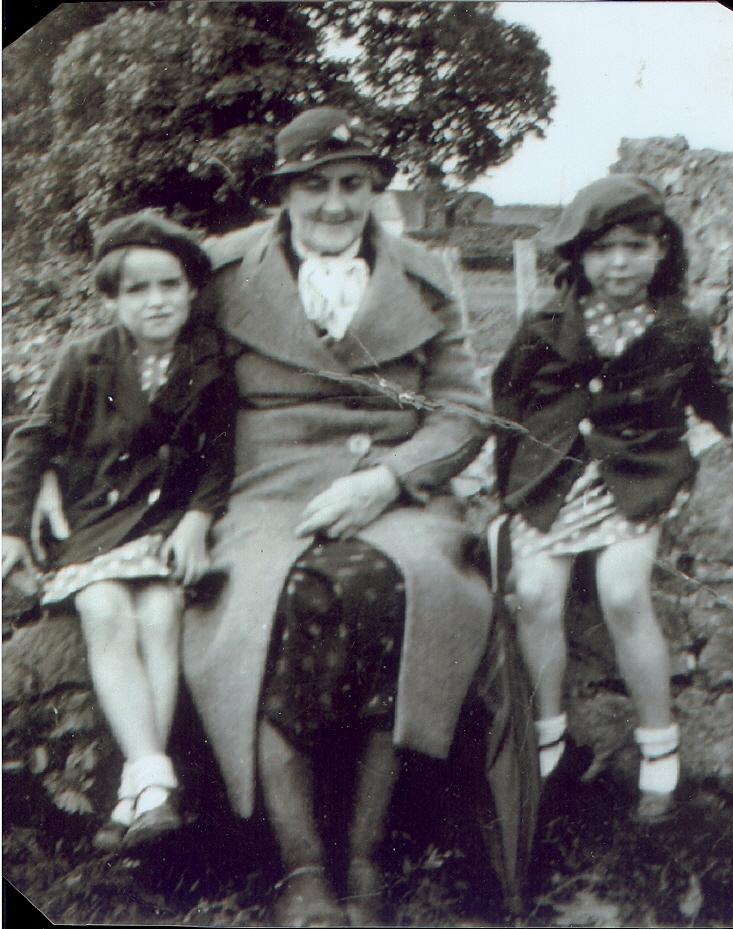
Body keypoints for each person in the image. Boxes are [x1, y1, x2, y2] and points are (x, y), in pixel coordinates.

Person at [180, 107, 494, 926]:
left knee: (400, 586)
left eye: (353, 185)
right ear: (283, 191)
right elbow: (155, 384)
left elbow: (462, 409)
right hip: (267, 491)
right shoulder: (219, 270)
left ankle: (363, 861)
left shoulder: (424, 274)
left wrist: (389, 480)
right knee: (278, 600)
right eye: (314, 185)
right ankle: (301, 870)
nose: (333, 205)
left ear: (374, 191)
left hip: (397, 493)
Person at [492, 175, 733, 823]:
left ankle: (657, 747)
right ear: (579, 258)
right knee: (534, 591)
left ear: (660, 250)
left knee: (621, 589)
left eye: (636, 246)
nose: (619, 263)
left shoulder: (679, 327)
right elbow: (507, 406)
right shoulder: (544, 325)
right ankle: (547, 735)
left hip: (636, 475)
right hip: (553, 479)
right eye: (603, 249)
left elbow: (710, 390)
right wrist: (508, 494)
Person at [2, 212, 237, 852]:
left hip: (161, 523)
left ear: (192, 290)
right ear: (111, 300)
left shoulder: (211, 365)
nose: (156, 301)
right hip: (95, 522)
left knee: (161, 612)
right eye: (136, 290)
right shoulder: (86, 360)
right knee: (107, 607)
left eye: (169, 285)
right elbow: (31, 439)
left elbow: (221, 455)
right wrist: (12, 530)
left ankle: (140, 790)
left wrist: (197, 519)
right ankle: (155, 779)